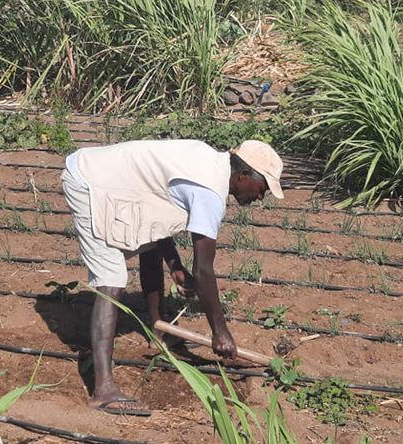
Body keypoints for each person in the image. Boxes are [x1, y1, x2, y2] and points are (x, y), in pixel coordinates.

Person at [60, 139, 284, 416]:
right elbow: (204, 270)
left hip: (117, 180)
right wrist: (220, 332)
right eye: (262, 189)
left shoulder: (209, 160)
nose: (260, 197)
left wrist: (174, 262)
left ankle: (159, 330)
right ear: (243, 175)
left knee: (150, 241)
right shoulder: (209, 192)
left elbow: (155, 209)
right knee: (112, 277)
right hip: (90, 179)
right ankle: (103, 391)